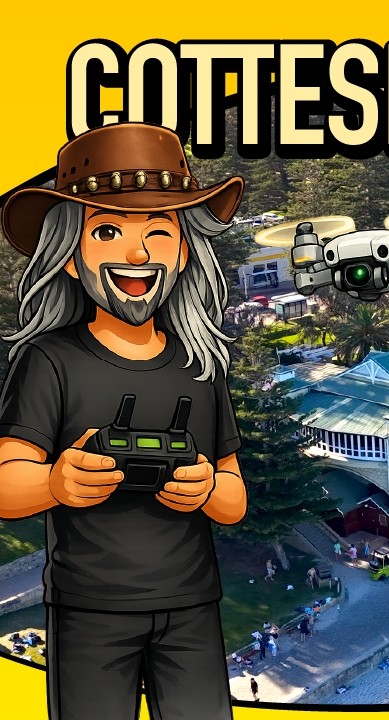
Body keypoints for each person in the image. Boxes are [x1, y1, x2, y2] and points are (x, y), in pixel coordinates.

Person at [0, 123, 248, 720]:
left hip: (193, 605)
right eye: (108, 231)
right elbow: (7, 485)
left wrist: (208, 489)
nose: (136, 254)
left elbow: (235, 495)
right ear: (68, 257)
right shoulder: (49, 360)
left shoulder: (200, 363)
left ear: (183, 251)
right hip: (90, 610)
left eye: (158, 234)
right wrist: (56, 483)